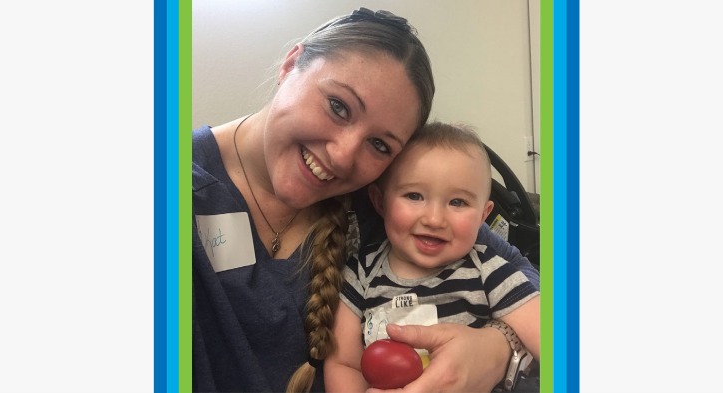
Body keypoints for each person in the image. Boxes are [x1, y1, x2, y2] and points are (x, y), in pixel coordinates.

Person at [192, 7, 540, 393]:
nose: (342, 156)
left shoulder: (390, 200)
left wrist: (493, 348)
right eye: (338, 106)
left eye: (379, 144)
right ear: (292, 63)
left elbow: (522, 274)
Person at [324, 122, 541, 392]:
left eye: (458, 202)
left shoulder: (489, 270)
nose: (435, 219)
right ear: (380, 202)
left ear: (483, 216)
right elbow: (344, 363)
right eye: (414, 196)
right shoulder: (360, 274)